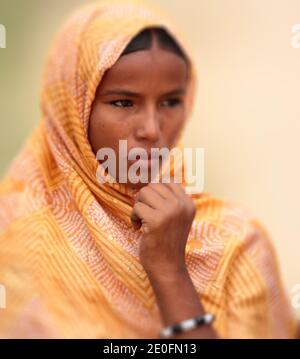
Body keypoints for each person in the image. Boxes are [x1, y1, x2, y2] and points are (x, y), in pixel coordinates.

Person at [0, 0, 297, 338]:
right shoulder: (14, 237)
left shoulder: (236, 245)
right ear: (72, 108)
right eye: (124, 102)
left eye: (171, 102)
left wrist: (171, 273)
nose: (152, 129)